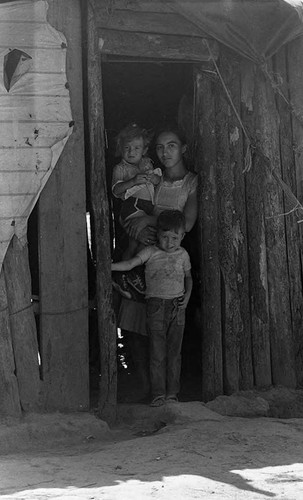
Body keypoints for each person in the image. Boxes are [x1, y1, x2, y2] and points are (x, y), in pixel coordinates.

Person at [112, 210, 193, 407]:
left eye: (175, 237)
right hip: (155, 306)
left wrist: (188, 296)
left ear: (182, 236)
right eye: (165, 237)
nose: (170, 242)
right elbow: (131, 264)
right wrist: (110, 267)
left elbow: (188, 278)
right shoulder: (150, 252)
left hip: (177, 307)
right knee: (157, 352)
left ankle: (172, 393)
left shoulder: (183, 255)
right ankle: (158, 394)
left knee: (174, 353)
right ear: (157, 235)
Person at [112, 123, 162, 261]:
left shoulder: (147, 163)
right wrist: (132, 181)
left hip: (147, 207)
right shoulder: (120, 168)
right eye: (126, 148)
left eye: (136, 148)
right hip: (132, 206)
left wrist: (154, 178)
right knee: (136, 241)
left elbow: (159, 183)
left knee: (140, 242)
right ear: (120, 149)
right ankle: (125, 272)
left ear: (144, 149)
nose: (131, 152)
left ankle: (134, 273)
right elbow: (116, 190)